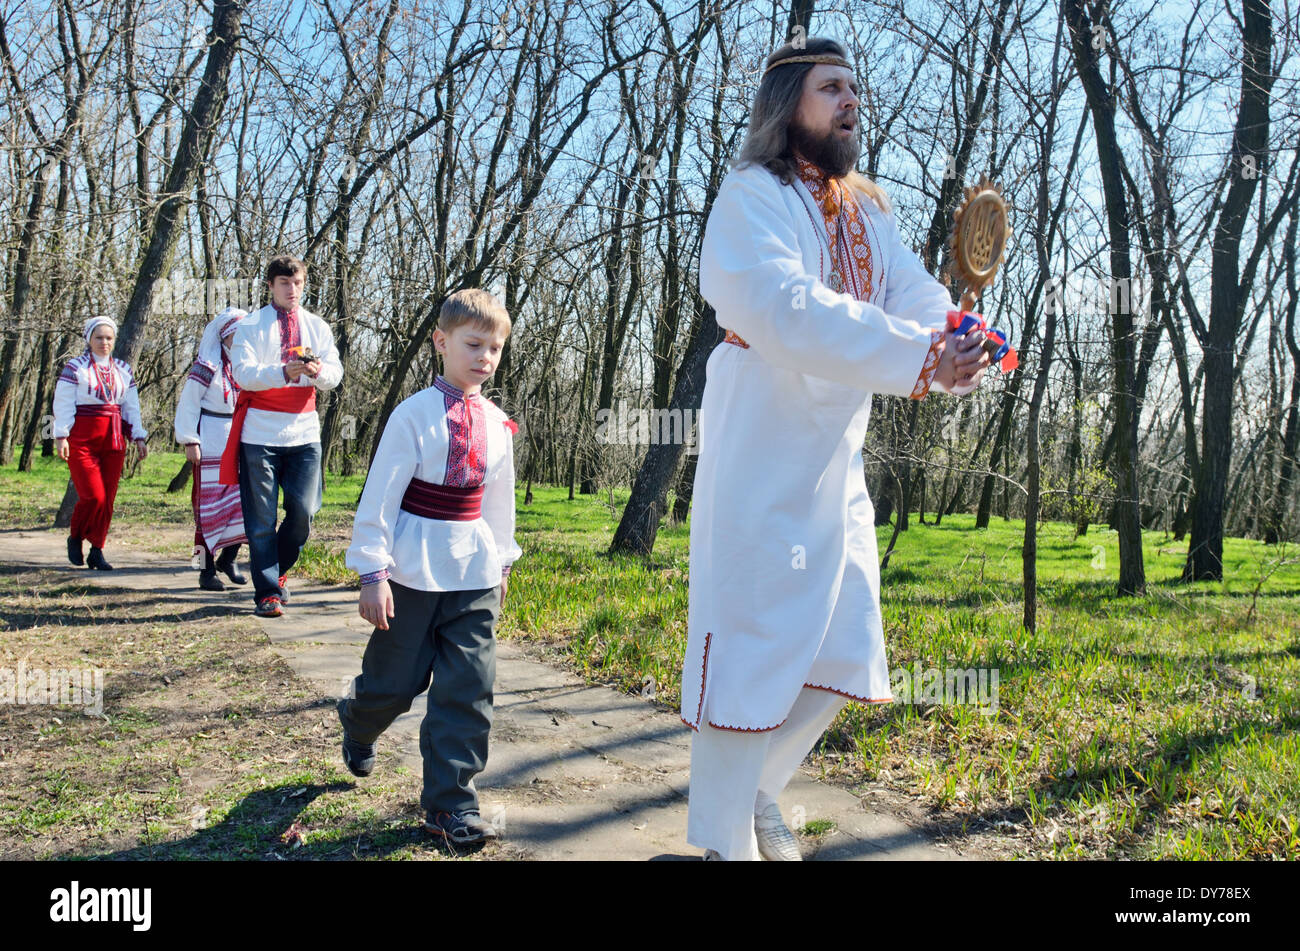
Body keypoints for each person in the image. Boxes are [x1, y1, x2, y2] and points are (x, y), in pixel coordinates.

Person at [682, 38, 993, 861]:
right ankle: (718, 842)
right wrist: (916, 357)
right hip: (760, 441)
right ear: (789, 103)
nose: (850, 99)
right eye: (831, 87)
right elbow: (789, 311)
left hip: (834, 455)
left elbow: (912, 293)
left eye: (855, 86)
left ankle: (757, 796)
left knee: (842, 647)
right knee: (750, 652)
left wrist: (958, 338)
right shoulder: (751, 197)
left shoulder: (867, 210)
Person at [337, 289, 521, 847]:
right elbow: (381, 498)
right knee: (394, 684)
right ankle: (359, 719)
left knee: (469, 688)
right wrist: (373, 573)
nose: (484, 357)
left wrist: (504, 564)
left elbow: (499, 503)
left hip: (474, 576)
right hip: (411, 573)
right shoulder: (412, 414)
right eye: (473, 344)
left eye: (494, 347)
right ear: (441, 343)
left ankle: (450, 807)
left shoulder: (498, 423)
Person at [220, 255, 342, 617]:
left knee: (303, 512)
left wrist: (317, 371)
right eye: (285, 283)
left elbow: (335, 372)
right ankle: (268, 593)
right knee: (260, 519)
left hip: (304, 432)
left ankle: (278, 569)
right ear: (271, 285)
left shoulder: (317, 326)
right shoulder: (252, 325)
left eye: (299, 283)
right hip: (260, 432)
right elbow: (242, 373)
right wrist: (282, 372)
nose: (293, 290)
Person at [52, 315, 149, 571]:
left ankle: (97, 549)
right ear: (89, 339)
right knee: (93, 496)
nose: (104, 342)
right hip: (82, 438)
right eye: (99, 337)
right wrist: (61, 435)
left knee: (107, 499)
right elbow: (62, 402)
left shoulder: (123, 370)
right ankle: (75, 536)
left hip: (114, 439)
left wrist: (138, 437)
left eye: (108, 338)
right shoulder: (76, 368)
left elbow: (131, 407)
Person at [174, 306, 249, 591]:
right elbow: (189, 404)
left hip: (240, 442)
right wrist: (190, 440)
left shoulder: (247, 368)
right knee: (207, 510)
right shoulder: (206, 367)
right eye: (236, 336)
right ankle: (203, 570)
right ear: (225, 337)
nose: (241, 342)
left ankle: (228, 559)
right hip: (210, 441)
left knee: (243, 507)